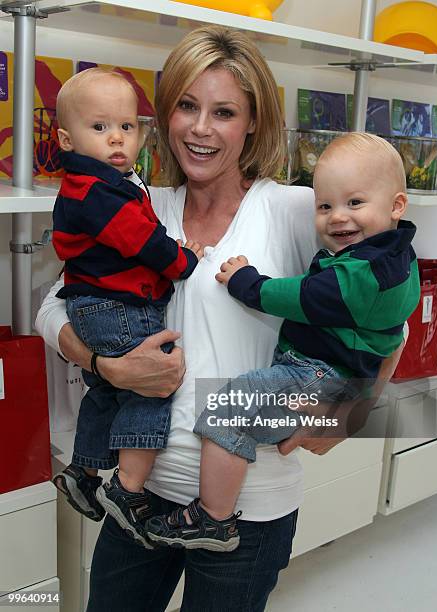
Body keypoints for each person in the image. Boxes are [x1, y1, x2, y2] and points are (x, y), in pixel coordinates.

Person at [36, 26, 403, 612]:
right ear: (163, 116)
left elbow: (389, 311)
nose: (201, 129)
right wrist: (109, 365)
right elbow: (54, 305)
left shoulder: (293, 209)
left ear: (253, 121)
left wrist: (351, 414)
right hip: (140, 493)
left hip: (247, 512)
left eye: (224, 112)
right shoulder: (138, 204)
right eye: (186, 105)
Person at [144, 133, 420, 551]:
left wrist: (246, 282)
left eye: (354, 203)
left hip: (315, 382)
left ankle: (213, 518)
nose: (337, 217)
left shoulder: (364, 265)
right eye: (325, 206)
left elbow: (304, 297)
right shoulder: (388, 254)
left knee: (229, 407)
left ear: (396, 206)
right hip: (152, 482)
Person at [51, 67, 203, 548]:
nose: (116, 138)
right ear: (66, 138)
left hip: (99, 305)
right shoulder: (104, 189)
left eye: (127, 126)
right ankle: (127, 490)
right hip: (118, 308)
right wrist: (184, 260)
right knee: (152, 387)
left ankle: (83, 470)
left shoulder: (111, 184)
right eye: (99, 128)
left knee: (104, 392)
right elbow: (146, 243)